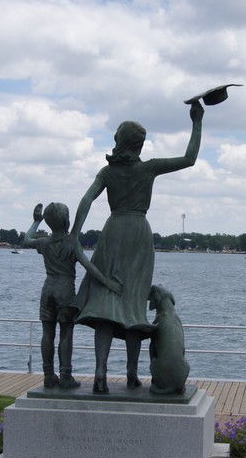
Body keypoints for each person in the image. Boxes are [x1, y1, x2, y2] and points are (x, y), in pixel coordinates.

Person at [71, 101, 205, 393]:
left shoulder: (107, 173)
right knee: (133, 310)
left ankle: (100, 371)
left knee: (105, 307)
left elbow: (86, 200)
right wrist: (197, 121)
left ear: (120, 141)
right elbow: (190, 158)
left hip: (113, 232)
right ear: (140, 145)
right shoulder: (150, 168)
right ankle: (132, 374)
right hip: (140, 236)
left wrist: (74, 234)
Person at [24, 202, 121, 388]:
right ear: (66, 221)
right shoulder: (71, 242)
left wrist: (36, 222)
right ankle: (66, 375)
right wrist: (107, 282)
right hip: (65, 290)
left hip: (48, 289)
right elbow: (88, 265)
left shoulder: (44, 241)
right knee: (66, 332)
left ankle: (48, 375)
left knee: (47, 333)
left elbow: (26, 239)